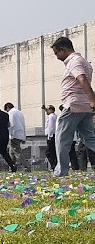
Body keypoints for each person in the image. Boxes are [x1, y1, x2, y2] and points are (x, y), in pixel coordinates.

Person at [49, 37, 95, 176]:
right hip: (84, 106)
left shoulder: (74, 62)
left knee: (62, 139)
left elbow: (82, 79)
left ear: (63, 50)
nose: (57, 57)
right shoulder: (85, 62)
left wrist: (93, 99)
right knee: (90, 138)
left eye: (57, 53)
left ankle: (60, 171)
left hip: (73, 105)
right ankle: (61, 170)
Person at [4, 103, 27, 170]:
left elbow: (11, 124)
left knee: (17, 152)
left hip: (14, 134)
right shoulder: (19, 112)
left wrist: (10, 134)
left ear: (7, 107)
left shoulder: (11, 113)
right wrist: (24, 137)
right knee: (12, 152)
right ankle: (12, 167)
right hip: (20, 134)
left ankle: (26, 166)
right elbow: (23, 124)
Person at [42, 105, 58, 171]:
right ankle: (54, 166)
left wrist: (50, 136)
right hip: (54, 135)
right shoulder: (54, 116)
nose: (46, 111)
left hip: (51, 135)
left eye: (48, 109)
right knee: (53, 151)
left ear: (51, 109)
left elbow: (51, 127)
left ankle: (53, 166)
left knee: (49, 152)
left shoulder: (51, 116)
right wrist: (45, 109)